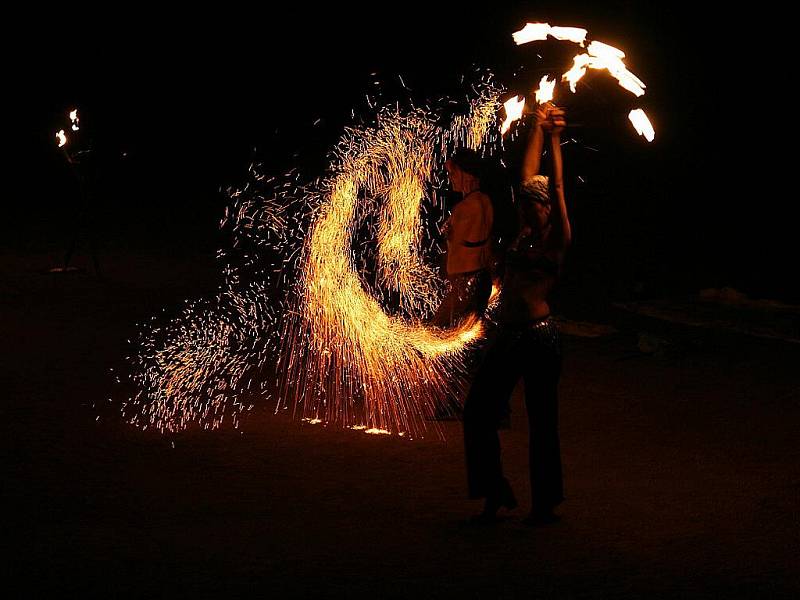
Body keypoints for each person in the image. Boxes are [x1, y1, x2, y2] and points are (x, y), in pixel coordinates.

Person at [463, 103, 571, 526]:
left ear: (548, 207)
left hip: (539, 336)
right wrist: (538, 128)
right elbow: (528, 176)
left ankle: (545, 503)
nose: (526, 209)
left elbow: (557, 185)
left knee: (542, 422)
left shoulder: (556, 239)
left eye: (534, 204)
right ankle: (495, 492)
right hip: (508, 335)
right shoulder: (524, 231)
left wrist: (557, 139)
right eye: (524, 203)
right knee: (478, 413)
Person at [431, 148, 494, 328]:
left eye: (453, 173)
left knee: (437, 332)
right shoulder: (486, 202)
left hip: (464, 286)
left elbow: (451, 246)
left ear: (466, 174)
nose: (450, 179)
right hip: (482, 281)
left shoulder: (463, 209)